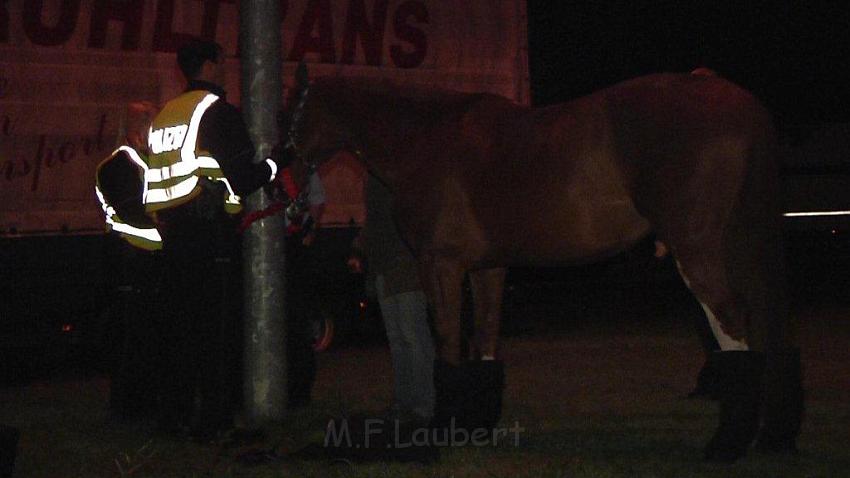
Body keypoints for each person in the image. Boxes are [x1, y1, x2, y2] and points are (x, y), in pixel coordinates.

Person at [143, 38, 283, 439]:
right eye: (222, 60)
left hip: (172, 236)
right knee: (213, 333)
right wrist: (278, 163)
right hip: (209, 237)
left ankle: (171, 416)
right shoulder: (217, 112)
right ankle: (214, 420)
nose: (225, 66)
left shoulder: (166, 115)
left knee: (177, 331)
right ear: (209, 64)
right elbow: (242, 176)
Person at [94, 101, 165, 420]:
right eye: (153, 129)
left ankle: (142, 401)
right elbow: (134, 213)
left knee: (146, 337)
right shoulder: (117, 167)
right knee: (131, 337)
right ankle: (127, 407)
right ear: (139, 132)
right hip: (129, 260)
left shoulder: (144, 164)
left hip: (144, 261)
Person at [348, 173, 435, 425]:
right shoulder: (375, 179)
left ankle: (424, 405)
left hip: (404, 266)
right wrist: (359, 248)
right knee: (398, 338)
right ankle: (404, 402)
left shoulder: (400, 174)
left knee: (412, 335)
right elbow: (374, 222)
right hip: (384, 266)